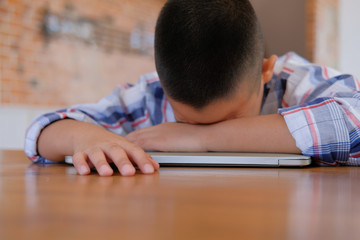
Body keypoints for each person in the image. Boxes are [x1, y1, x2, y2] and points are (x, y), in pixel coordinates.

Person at [25, 0, 360, 176]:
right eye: (188, 122)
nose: (204, 132)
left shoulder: (296, 81)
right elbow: (43, 131)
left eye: (229, 121)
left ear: (266, 71)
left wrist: (198, 138)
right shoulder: (151, 94)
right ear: (162, 85)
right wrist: (85, 137)